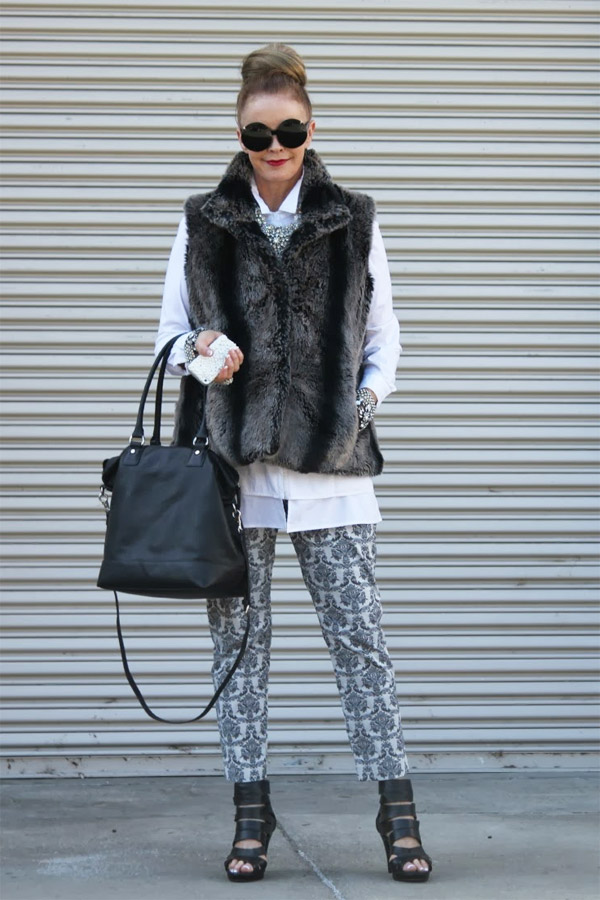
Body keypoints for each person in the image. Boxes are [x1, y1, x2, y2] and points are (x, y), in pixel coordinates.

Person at [155, 42, 433, 884]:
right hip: (232, 476)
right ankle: (252, 815)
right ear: (238, 135)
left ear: (312, 130)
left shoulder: (353, 217)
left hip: (331, 474)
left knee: (361, 642)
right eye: (257, 133)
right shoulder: (203, 220)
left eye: (289, 131)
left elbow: (385, 340)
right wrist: (205, 350)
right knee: (239, 650)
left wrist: (359, 410)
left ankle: (397, 812)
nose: (273, 147)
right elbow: (169, 338)